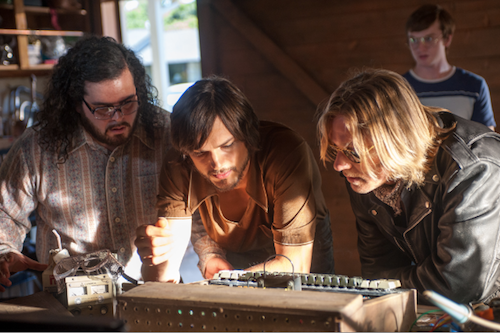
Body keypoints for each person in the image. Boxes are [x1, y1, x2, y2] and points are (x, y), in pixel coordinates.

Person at [0, 36, 172, 292]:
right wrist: (3, 251)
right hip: (71, 303)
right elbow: (6, 214)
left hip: (154, 291)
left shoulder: (165, 133)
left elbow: (200, 206)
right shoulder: (37, 146)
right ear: (76, 105)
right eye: (103, 109)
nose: (119, 118)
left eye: (128, 102)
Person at [316, 68, 500, 304]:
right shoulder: (367, 177)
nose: (339, 165)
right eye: (336, 150)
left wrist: (387, 284)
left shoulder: (472, 167)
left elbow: (457, 284)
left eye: (353, 151)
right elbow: (376, 275)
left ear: (395, 141)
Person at [136, 76, 334, 281]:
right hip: (231, 256)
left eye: (227, 145)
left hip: (300, 252)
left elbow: (295, 265)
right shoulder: (178, 164)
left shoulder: (285, 152)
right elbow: (166, 271)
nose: (217, 164)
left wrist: (228, 282)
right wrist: (157, 257)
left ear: (247, 134)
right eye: (200, 153)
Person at [403, 4, 496, 131]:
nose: (420, 48)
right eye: (414, 40)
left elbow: (486, 143)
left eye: (429, 38)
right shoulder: (398, 88)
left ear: (447, 39)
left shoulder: (474, 86)